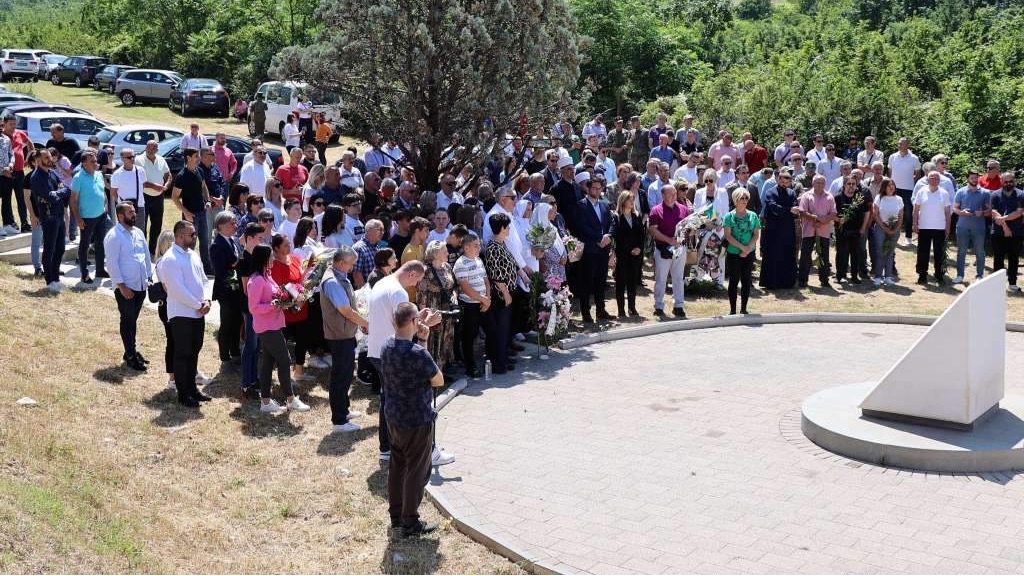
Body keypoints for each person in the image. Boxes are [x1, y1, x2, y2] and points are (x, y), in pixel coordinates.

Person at [381, 301, 444, 537]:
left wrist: (422, 339)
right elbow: (438, 380)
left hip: (393, 416)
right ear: (413, 322)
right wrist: (423, 345)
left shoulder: (387, 346)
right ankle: (410, 522)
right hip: (416, 420)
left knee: (397, 467)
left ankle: (396, 516)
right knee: (417, 470)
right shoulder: (417, 354)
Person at [369, 260, 433, 460]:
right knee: (398, 400)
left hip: (378, 350)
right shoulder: (399, 293)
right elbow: (405, 327)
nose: (415, 286)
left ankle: (387, 448)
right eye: (418, 281)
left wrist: (417, 318)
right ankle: (395, 447)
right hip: (393, 353)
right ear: (412, 274)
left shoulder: (382, 283)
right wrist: (425, 323)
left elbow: (400, 320)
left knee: (387, 398)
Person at [246, 244, 311, 414]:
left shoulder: (267, 276)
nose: (273, 259)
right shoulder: (257, 280)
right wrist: (274, 305)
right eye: (271, 256)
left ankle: (265, 402)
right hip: (266, 328)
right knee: (284, 360)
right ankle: (290, 399)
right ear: (263, 259)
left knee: (268, 363)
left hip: (274, 325)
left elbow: (277, 295)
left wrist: (288, 298)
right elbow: (253, 308)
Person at [156, 220, 212, 408]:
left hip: (198, 312)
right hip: (181, 314)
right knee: (183, 353)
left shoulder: (193, 255)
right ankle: (183, 393)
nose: (195, 237)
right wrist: (198, 304)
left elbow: (204, 280)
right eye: (192, 234)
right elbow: (176, 290)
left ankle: (193, 389)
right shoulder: (170, 259)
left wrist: (207, 300)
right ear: (180, 236)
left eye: (195, 233)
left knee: (194, 350)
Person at [321, 246, 369, 433]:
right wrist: (366, 323)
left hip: (345, 333)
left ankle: (344, 409)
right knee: (340, 377)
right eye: (351, 264)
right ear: (341, 263)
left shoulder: (338, 275)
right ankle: (339, 421)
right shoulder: (333, 282)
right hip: (339, 335)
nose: (352, 267)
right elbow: (345, 310)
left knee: (347, 374)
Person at [104, 201, 152, 370]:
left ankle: (130, 349)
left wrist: (149, 276)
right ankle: (131, 355)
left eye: (134, 211)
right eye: (130, 212)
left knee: (132, 320)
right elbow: (112, 264)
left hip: (140, 285)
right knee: (127, 320)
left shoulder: (138, 232)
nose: (134, 214)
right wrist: (122, 286)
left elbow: (145, 255)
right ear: (120, 216)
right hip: (126, 287)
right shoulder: (114, 236)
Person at [269, 233, 314, 383]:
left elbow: (301, 280)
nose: (290, 247)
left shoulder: (295, 259)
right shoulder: (273, 265)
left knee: (303, 339)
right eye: (286, 245)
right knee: (283, 343)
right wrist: (292, 301)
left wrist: (308, 271)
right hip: (285, 311)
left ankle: (299, 371)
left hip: (301, 306)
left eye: (289, 244)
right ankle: (283, 375)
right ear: (276, 248)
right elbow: (277, 288)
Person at [570, 175, 613, 322]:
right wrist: (598, 238)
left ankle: (601, 310)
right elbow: (580, 227)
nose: (596, 190)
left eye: (599, 188)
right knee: (586, 282)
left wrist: (609, 236)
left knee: (601, 281)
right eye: (593, 187)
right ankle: (585, 311)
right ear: (588, 188)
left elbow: (611, 223)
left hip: (603, 249)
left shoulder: (604, 205)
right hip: (589, 249)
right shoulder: (580, 205)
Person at [29, 150, 69, 291]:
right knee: (49, 249)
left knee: (60, 248)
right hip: (48, 217)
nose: (49, 159)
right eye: (46, 157)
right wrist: (59, 193)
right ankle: (50, 280)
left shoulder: (52, 173)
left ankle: (56, 277)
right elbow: (49, 196)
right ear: (38, 160)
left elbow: (65, 189)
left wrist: (58, 193)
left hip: (58, 216)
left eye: (50, 156)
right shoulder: (36, 177)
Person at [416, 240, 457, 376]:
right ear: (435, 253)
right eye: (444, 250)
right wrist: (425, 317)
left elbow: (453, 286)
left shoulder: (447, 267)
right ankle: (432, 372)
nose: (447, 252)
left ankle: (444, 369)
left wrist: (454, 296)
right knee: (434, 339)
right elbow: (421, 295)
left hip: (447, 310)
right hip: (433, 310)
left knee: (447, 337)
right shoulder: (425, 271)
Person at [482, 213, 517, 372]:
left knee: (504, 330)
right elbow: (496, 275)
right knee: (499, 330)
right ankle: (497, 363)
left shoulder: (501, 244)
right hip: (500, 296)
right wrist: (506, 293)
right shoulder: (493, 247)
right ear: (501, 228)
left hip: (507, 292)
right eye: (507, 226)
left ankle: (501, 359)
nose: (509, 228)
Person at [648, 183, 688, 317]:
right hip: (662, 249)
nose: (672, 197)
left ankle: (679, 306)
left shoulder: (684, 209)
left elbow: (688, 228)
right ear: (663, 195)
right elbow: (653, 230)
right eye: (669, 194)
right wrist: (668, 240)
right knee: (661, 279)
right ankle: (658, 306)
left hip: (680, 248)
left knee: (678, 278)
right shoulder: (656, 210)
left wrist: (690, 233)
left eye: (674, 194)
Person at [452, 233, 489, 378]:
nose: (479, 248)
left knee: (490, 330)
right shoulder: (461, 264)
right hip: (469, 305)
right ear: (466, 247)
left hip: (482, 302)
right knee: (469, 336)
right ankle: (470, 366)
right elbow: (465, 287)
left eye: (479, 245)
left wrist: (488, 298)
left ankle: (490, 360)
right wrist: (483, 299)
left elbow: (485, 280)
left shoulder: (479, 260)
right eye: (475, 246)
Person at [71, 150, 111, 284]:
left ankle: (100, 269)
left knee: (100, 243)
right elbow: (73, 200)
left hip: (101, 215)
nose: (96, 163)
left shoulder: (99, 174)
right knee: (85, 245)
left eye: (96, 161)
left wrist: (105, 205)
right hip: (87, 217)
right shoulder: (78, 177)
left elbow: (102, 191)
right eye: (92, 161)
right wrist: (78, 219)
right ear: (84, 164)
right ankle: (84, 273)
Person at [171, 148, 213, 275]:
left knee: (205, 242)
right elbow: (174, 197)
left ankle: (206, 268)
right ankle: (187, 269)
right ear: (188, 158)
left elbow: (204, 186)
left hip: (202, 212)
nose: (199, 158)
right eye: (196, 156)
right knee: (190, 243)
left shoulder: (199, 170)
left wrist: (208, 200)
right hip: (190, 216)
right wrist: (186, 213)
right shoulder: (181, 176)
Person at [211, 211, 243, 365]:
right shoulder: (217, 245)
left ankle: (235, 350)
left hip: (237, 290)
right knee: (227, 322)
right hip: (225, 291)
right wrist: (237, 263)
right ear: (220, 226)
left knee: (237, 321)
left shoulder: (234, 240)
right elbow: (221, 270)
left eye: (235, 222)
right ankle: (224, 354)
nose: (235, 225)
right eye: (231, 223)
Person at [236, 223, 266, 393]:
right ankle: (247, 382)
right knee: (250, 345)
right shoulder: (244, 260)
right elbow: (248, 289)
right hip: (250, 309)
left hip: (258, 308)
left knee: (257, 346)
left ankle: (254, 379)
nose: (263, 242)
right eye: (260, 239)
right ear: (249, 239)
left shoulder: (256, 258)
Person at [723, 189, 761, 315]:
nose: (744, 201)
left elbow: (756, 235)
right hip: (734, 253)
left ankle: (744, 309)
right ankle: (732, 310)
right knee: (733, 281)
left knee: (746, 280)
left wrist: (748, 249)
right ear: (735, 200)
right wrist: (742, 248)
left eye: (746, 198)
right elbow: (728, 236)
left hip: (749, 253)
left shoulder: (753, 215)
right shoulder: (729, 216)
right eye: (741, 198)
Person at [912, 171, 952, 285]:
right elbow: (916, 209)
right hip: (924, 227)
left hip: (939, 228)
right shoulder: (921, 191)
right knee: (923, 252)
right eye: (931, 178)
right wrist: (915, 223)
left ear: (939, 180)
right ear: (928, 179)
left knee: (939, 253)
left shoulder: (944, 193)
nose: (934, 180)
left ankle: (939, 275)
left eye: (936, 178)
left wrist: (948, 227)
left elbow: (948, 212)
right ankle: (922, 275)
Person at [798, 175, 837, 288]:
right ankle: (802, 280)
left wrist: (821, 221)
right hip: (809, 231)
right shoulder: (806, 195)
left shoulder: (829, 196)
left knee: (824, 256)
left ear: (825, 184)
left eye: (822, 182)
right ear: (813, 183)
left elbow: (833, 213)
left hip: (823, 231)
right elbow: (802, 211)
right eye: (817, 182)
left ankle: (824, 280)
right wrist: (813, 218)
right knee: (805, 256)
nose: (819, 184)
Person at [610, 191, 645, 318]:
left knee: (632, 283)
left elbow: (642, 235)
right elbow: (617, 237)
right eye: (630, 199)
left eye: (633, 199)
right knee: (620, 284)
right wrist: (627, 249)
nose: (632, 202)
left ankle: (632, 307)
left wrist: (639, 249)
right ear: (623, 201)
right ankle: (621, 310)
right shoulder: (616, 217)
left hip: (635, 256)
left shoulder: (637, 216)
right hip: (622, 255)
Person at [952, 169, 991, 283]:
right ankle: (960, 275)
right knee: (961, 251)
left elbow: (989, 210)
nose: (974, 180)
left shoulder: (985, 193)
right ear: (967, 179)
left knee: (980, 251)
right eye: (972, 178)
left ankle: (979, 275)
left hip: (979, 227)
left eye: (976, 177)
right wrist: (962, 212)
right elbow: (955, 208)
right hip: (962, 226)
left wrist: (982, 213)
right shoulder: (960, 191)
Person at [833, 176, 871, 284]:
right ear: (844, 185)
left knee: (855, 254)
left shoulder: (860, 198)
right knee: (841, 253)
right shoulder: (837, 198)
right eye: (849, 184)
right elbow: (831, 213)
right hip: (841, 230)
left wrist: (863, 227)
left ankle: (854, 276)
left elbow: (867, 213)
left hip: (856, 230)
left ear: (856, 186)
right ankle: (840, 275)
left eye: (853, 184)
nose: (851, 186)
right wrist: (838, 220)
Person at [137, 141, 172, 253]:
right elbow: (139, 180)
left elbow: (168, 175)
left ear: (157, 149)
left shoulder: (161, 159)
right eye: (149, 147)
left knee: (157, 224)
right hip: (144, 195)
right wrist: (154, 186)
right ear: (145, 147)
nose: (151, 150)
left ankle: (153, 249)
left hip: (158, 196)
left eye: (154, 148)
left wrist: (166, 185)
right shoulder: (138, 159)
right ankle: (142, 249)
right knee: (142, 224)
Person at [991, 172, 1023, 291]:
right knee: (998, 258)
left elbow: (1019, 212)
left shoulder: (1021, 194)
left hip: (1016, 232)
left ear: (1014, 181)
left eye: (1011, 181)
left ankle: (1012, 283)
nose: (1009, 183)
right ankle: (996, 284)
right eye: (1006, 181)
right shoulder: (995, 194)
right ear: (1001, 181)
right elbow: (994, 212)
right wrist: (1005, 227)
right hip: (998, 232)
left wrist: (1003, 219)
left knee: (1013, 258)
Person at [887, 138, 921, 245]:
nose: (899, 145)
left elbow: (918, 174)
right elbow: (890, 172)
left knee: (908, 213)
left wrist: (909, 182)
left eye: (901, 144)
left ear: (907, 145)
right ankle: (891, 234)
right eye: (898, 143)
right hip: (894, 189)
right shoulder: (892, 157)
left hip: (908, 190)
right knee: (893, 211)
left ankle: (908, 237)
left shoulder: (914, 158)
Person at [870, 177, 903, 287]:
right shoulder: (879, 198)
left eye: (893, 185)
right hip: (881, 228)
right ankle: (878, 276)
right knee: (880, 252)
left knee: (890, 253)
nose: (891, 187)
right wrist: (885, 228)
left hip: (894, 229)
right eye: (889, 185)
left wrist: (895, 229)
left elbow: (901, 216)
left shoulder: (899, 199)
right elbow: (875, 214)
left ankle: (888, 276)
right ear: (884, 187)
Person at [1, 114, 31, 235]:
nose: (13, 126)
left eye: (15, 124)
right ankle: (10, 223)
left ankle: (24, 223)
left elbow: (30, 145)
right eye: (11, 124)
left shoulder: (19, 134)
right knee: (6, 199)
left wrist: (28, 159)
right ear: (5, 123)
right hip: (5, 174)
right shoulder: (3, 137)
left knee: (21, 198)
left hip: (19, 172)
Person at [110, 148, 147, 235]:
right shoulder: (117, 174)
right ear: (122, 158)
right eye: (129, 157)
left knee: (139, 233)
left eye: (133, 156)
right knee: (124, 233)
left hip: (139, 207)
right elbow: (113, 193)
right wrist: (122, 204)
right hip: (124, 209)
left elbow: (143, 186)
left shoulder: (141, 170)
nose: (132, 159)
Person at [353, 219, 384, 288]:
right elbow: (356, 274)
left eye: (383, 230)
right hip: (367, 293)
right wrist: (365, 294)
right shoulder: (359, 248)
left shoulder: (377, 247)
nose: (383, 232)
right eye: (380, 230)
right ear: (369, 230)